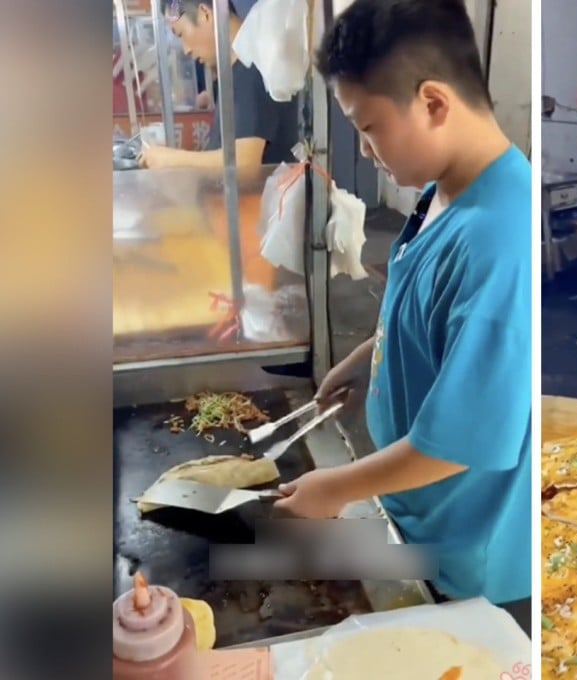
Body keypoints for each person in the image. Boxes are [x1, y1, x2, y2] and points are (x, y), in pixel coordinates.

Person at [272, 0, 533, 635]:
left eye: (369, 128)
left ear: (434, 103)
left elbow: (459, 445)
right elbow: (426, 315)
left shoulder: (500, 242)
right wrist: (367, 359)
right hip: (422, 518)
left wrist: (335, 489)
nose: (366, 150)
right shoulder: (442, 190)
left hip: (471, 559)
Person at [140, 0, 298, 169]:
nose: (186, 49)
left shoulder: (251, 67)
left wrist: (171, 159)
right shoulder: (237, 71)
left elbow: (244, 162)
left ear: (205, 14)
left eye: (181, 34)